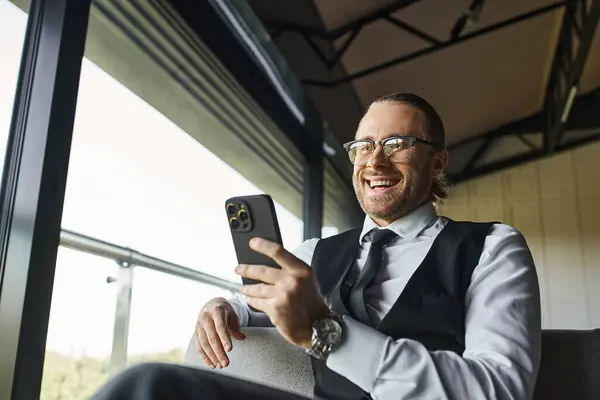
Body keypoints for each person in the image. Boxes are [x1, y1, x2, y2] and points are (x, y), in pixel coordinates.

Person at [91, 93, 541, 400]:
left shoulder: (492, 247)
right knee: (149, 388)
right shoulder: (313, 253)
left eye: (396, 144)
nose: (375, 160)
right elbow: (253, 302)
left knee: (148, 383)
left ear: (438, 160)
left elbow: (498, 389)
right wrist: (221, 306)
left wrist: (325, 334)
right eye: (363, 146)